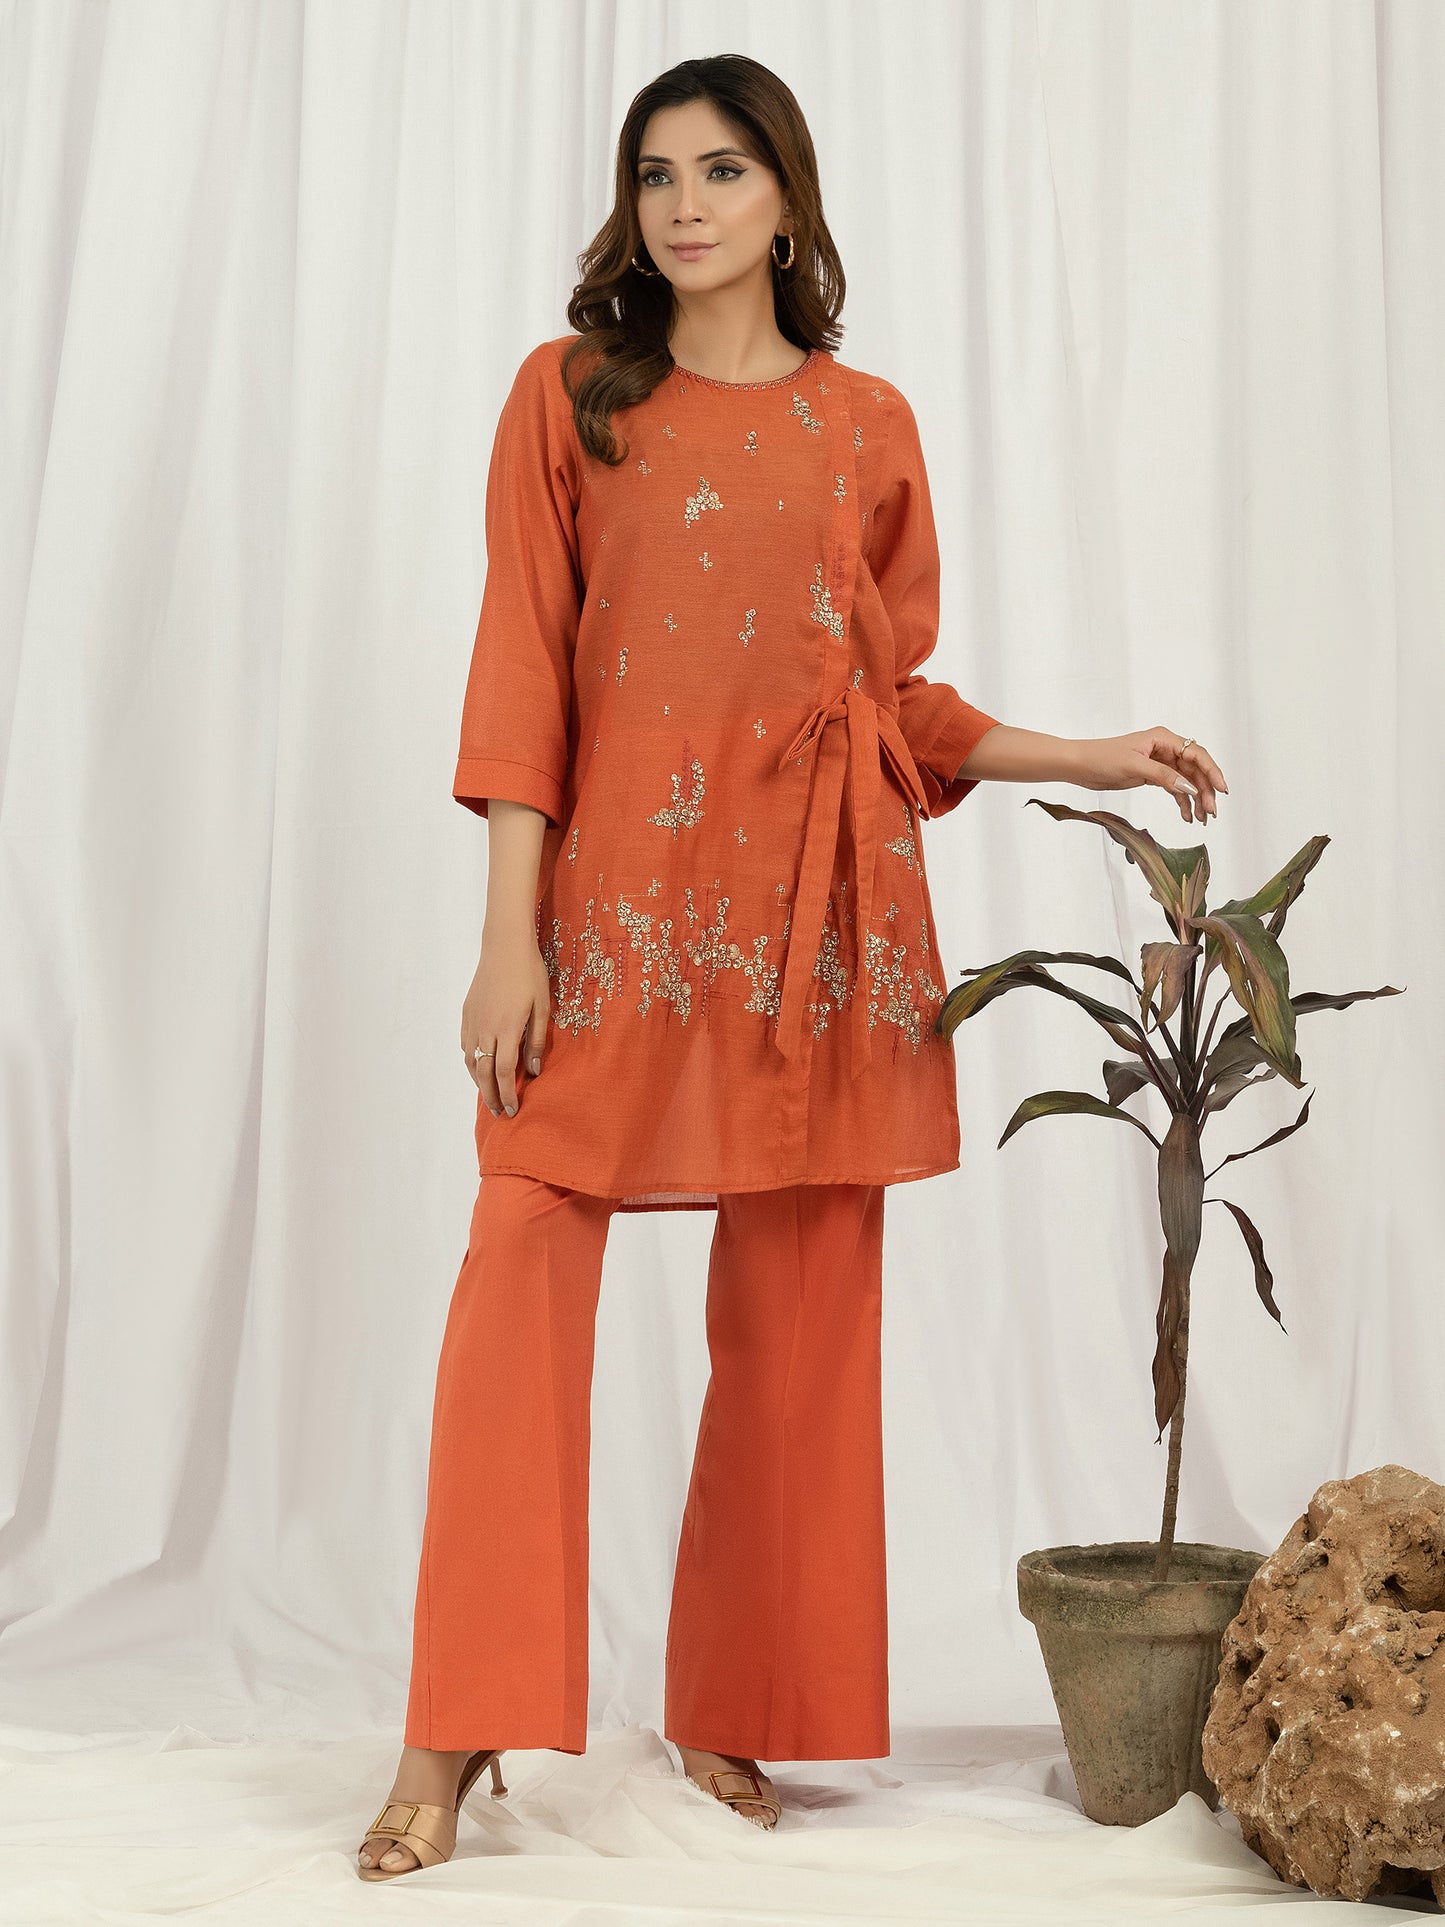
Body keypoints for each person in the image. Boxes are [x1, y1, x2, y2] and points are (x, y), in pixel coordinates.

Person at [357, 53, 1228, 1879]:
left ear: (785, 203)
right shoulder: (568, 398)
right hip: (612, 926)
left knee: (803, 1314)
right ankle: (455, 1725)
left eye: (723, 172)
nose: (683, 205)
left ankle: (734, 1703)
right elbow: (522, 666)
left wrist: (1083, 755)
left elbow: (885, 694)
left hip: (820, 927)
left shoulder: (864, 424)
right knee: (518, 1269)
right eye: (656, 174)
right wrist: (508, 938)